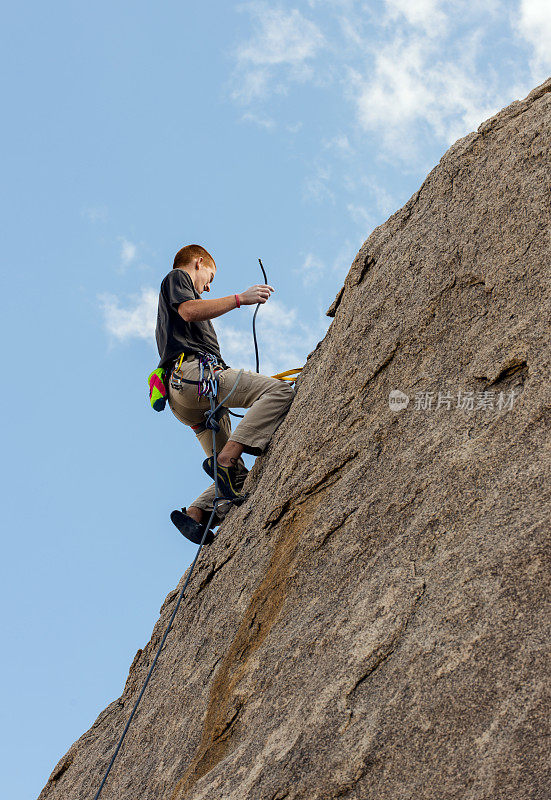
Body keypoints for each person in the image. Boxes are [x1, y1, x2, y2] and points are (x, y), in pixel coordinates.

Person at [155, 244, 295, 544]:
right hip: (197, 378)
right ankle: (226, 458)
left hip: (186, 399)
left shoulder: (173, 315)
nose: (208, 285)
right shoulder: (177, 278)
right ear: (198, 262)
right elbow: (189, 311)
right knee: (279, 392)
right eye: (210, 275)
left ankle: (198, 513)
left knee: (238, 479)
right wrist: (239, 299)